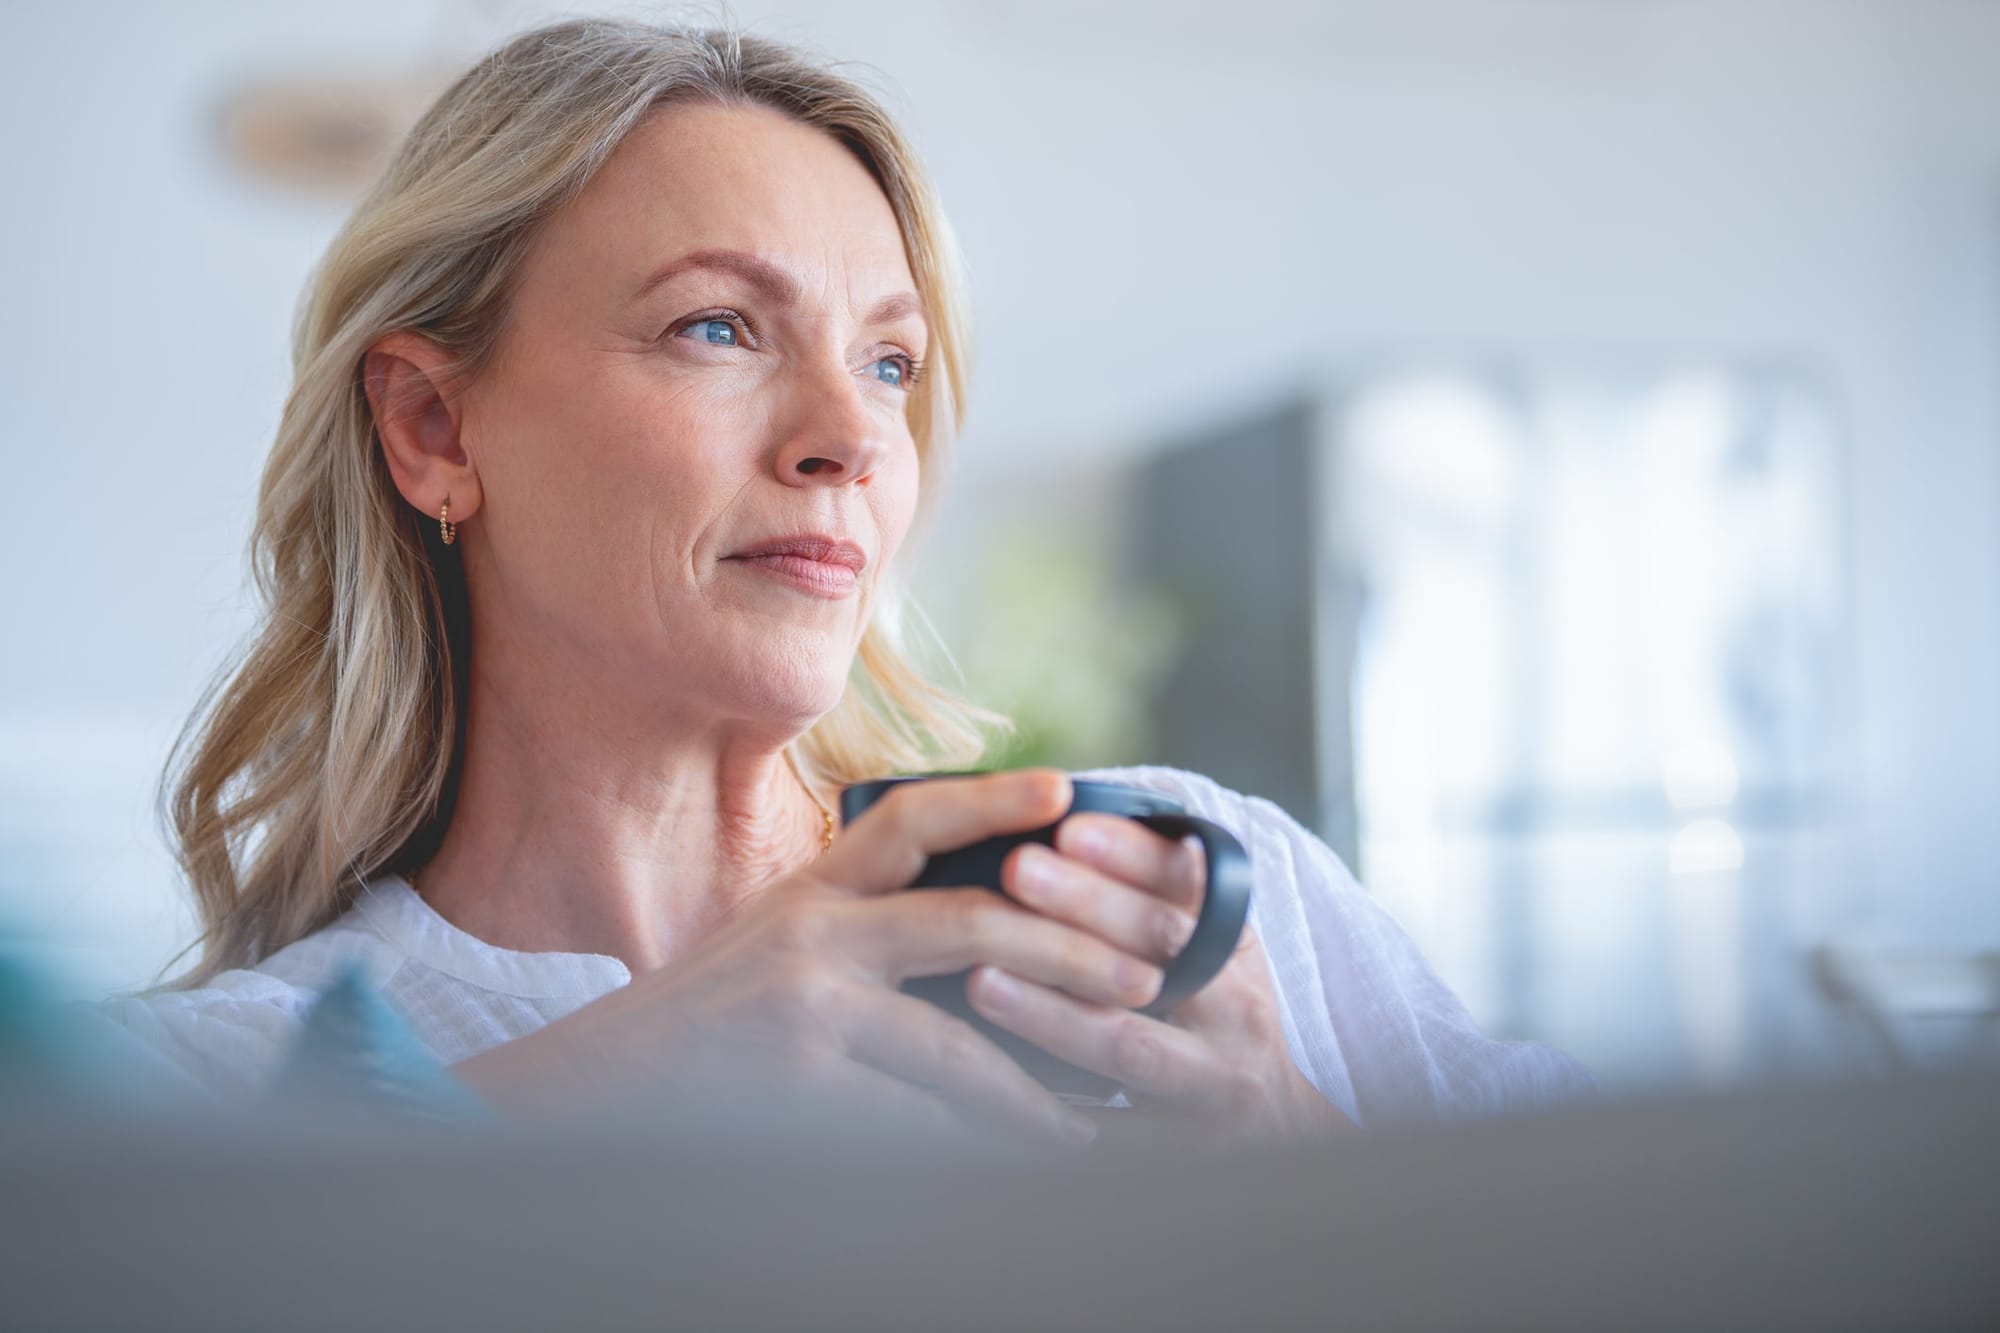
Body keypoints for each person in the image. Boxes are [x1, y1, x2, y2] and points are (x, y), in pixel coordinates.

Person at [93, 17, 1592, 1145]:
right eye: (717, 328)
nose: (854, 438)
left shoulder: (1194, 908)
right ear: (433, 427)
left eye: (889, 362)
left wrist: (1310, 1159)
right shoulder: (197, 1099)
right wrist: (624, 1080)